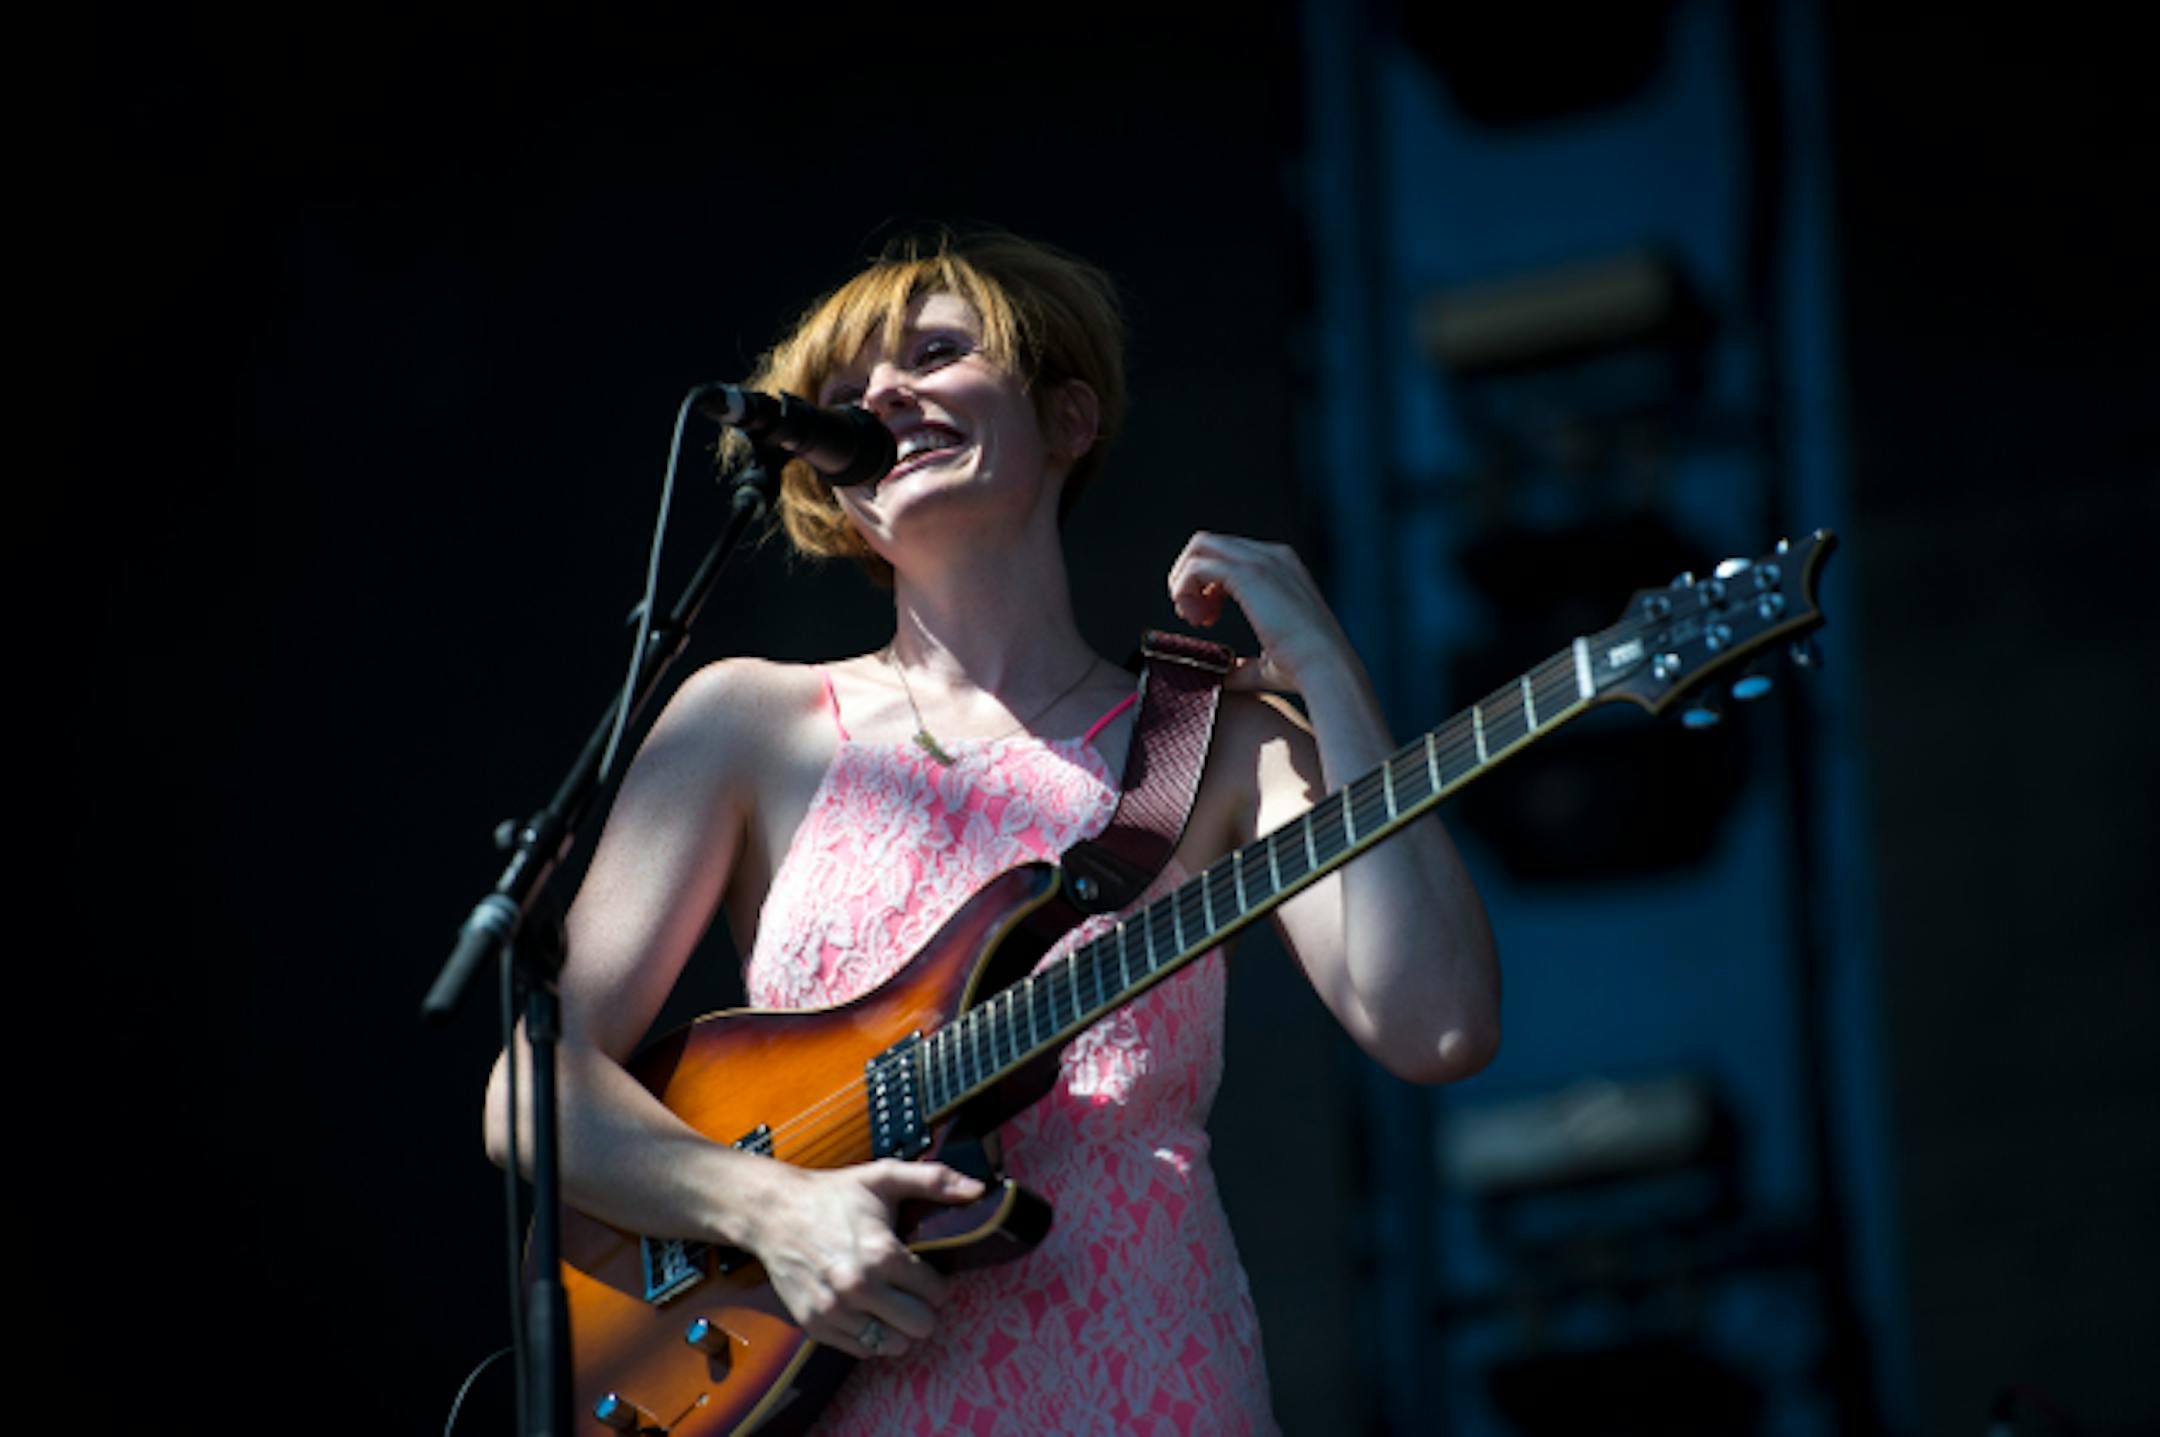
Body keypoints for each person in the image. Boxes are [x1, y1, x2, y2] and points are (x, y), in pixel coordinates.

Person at [483, 230, 1499, 1434]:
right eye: (847, 394)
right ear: (836, 492)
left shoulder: (1214, 739)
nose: (884, 396)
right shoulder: (745, 724)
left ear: (1070, 419)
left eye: (938, 352)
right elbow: (534, 1089)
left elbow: (1435, 1022)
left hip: (1152, 1378)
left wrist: (1329, 672)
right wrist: (772, 1212)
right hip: (847, 1395)